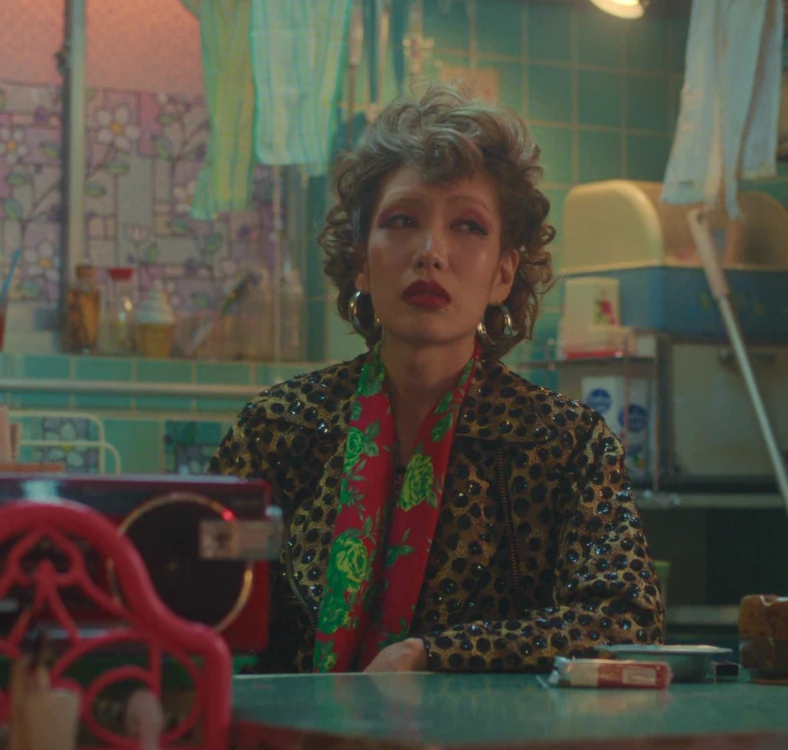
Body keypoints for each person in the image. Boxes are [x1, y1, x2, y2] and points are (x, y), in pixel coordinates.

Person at [209, 84, 665, 674]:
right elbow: (198, 600)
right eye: (402, 221)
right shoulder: (279, 428)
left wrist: (436, 656)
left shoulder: (563, 444)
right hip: (293, 731)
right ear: (360, 262)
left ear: (504, 273)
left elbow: (626, 621)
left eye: (468, 227)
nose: (431, 252)